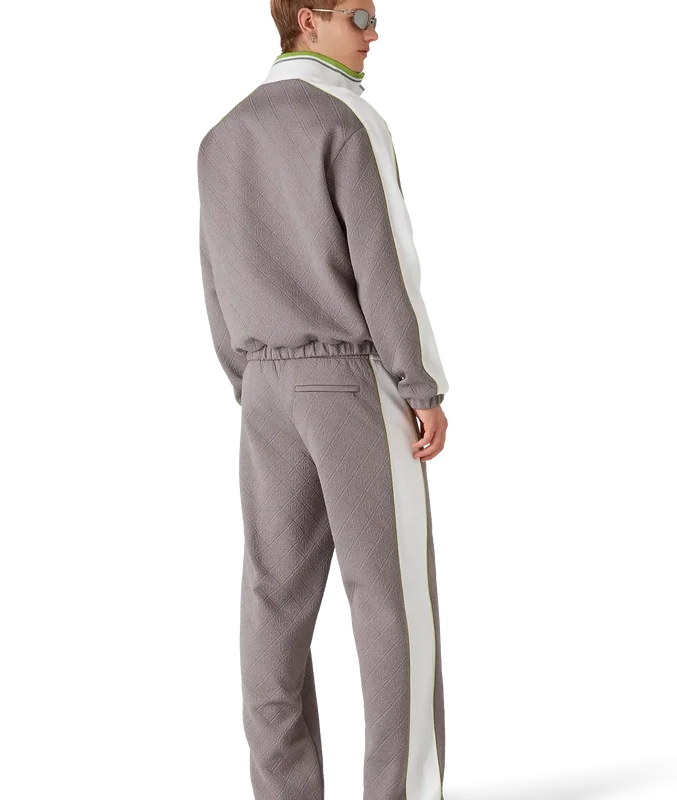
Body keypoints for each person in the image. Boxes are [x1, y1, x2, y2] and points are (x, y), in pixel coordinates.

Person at [196, 2, 453, 797]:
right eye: (358, 18)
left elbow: (212, 272)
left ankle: (283, 791)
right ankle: (399, 790)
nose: (372, 35)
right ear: (306, 20)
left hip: (263, 386)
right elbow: (384, 265)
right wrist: (419, 383)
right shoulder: (342, 115)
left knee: (273, 597)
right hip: (346, 379)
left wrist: (246, 378)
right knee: (389, 597)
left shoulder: (224, 132)